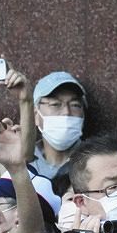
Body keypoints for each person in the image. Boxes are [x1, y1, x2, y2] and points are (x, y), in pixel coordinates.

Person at [29, 71, 88, 210]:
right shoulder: (23, 160)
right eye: (55, 104)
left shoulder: (93, 159)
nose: (66, 112)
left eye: (75, 105)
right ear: (36, 115)